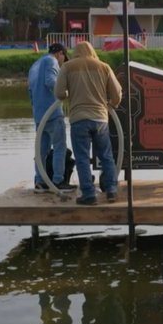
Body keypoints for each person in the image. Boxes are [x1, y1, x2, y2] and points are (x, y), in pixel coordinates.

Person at [53, 40, 122, 205]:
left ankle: (89, 194)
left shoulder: (68, 67)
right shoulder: (104, 67)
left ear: (76, 51)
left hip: (78, 119)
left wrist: (70, 92)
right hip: (100, 119)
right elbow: (117, 94)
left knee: (82, 158)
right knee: (106, 156)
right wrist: (111, 106)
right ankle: (111, 191)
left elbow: (59, 93)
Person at [29, 42, 69, 192]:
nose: (62, 62)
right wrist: (66, 93)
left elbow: (30, 91)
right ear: (60, 53)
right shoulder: (51, 61)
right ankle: (58, 181)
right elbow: (51, 81)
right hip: (53, 114)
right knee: (60, 147)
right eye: (64, 58)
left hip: (39, 115)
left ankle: (40, 182)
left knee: (41, 151)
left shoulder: (34, 65)